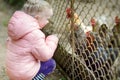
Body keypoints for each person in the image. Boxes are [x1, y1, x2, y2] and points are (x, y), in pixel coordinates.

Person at [5, 0, 58, 80]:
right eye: (47, 18)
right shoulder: (35, 35)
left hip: (11, 70)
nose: (47, 22)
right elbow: (45, 56)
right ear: (37, 18)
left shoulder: (17, 27)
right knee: (50, 63)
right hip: (23, 74)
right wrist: (52, 40)